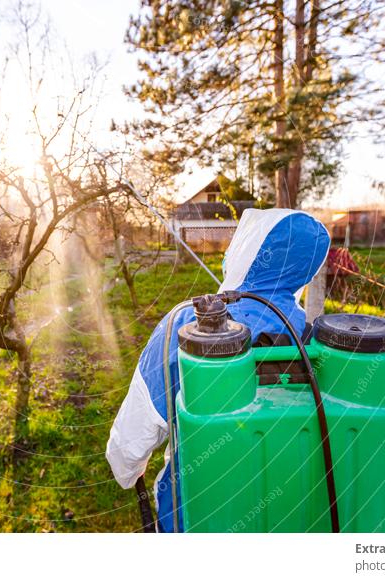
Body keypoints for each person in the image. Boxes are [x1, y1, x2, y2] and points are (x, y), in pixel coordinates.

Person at [105, 208, 331, 532]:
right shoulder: (315, 340)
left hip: (195, 517)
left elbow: (134, 434)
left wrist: (128, 471)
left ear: (244, 250)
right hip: (295, 514)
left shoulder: (181, 327)